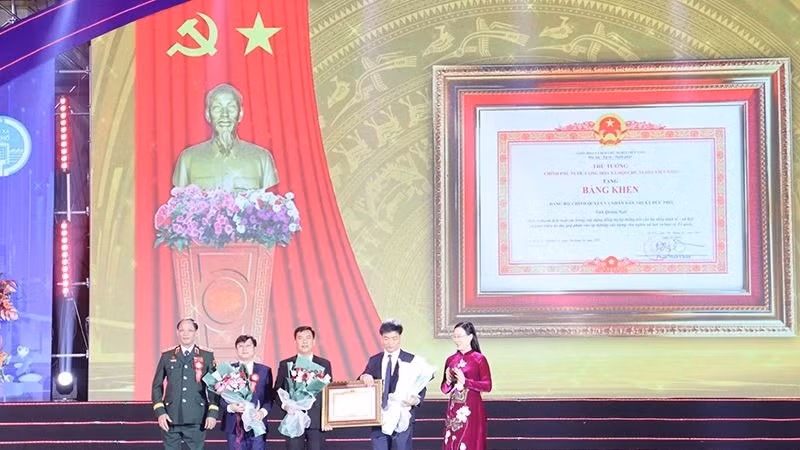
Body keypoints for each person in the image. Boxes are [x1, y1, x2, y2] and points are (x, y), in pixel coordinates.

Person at [172, 83, 278, 191]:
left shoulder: (262, 159)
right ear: (208, 115)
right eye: (217, 108)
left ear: (240, 114)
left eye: (231, 108)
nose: (224, 115)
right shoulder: (188, 159)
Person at [151, 318, 220, 449]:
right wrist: (160, 412)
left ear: (195, 333)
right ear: (177, 332)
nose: (185, 334)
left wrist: (212, 413)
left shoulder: (206, 356)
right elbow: (156, 386)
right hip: (170, 416)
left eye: (190, 330)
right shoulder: (167, 356)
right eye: (182, 330)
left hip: (197, 417)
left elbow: (214, 387)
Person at [360, 320, 425, 450]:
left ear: (400, 338)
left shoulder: (411, 360)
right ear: (381, 339)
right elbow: (363, 377)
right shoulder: (374, 360)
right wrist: (364, 377)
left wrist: (416, 400)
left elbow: (421, 385)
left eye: (394, 338)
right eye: (386, 338)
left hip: (403, 413)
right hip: (379, 417)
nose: (390, 343)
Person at [273, 326, 333, 450]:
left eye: (308, 338)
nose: (304, 341)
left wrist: (328, 418)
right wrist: (286, 406)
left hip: (317, 421)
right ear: (295, 341)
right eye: (300, 338)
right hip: (293, 417)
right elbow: (277, 390)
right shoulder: (286, 364)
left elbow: (329, 393)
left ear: (313, 341)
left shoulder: (324, 364)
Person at [441, 322, 492, 450]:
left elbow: (487, 386)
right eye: (454, 336)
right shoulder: (450, 360)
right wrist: (448, 382)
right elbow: (444, 389)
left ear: (470, 337)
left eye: (460, 336)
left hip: (471, 410)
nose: (456, 340)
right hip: (454, 409)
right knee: (453, 442)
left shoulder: (479, 359)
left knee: (470, 442)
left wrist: (466, 382)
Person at [220, 335, 274, 450]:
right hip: (234, 423)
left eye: (248, 346)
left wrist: (262, 412)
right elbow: (220, 396)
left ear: (254, 348)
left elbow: (269, 397)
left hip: (257, 422)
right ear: (236, 349)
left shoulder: (265, 371)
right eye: (241, 346)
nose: (244, 349)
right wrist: (230, 407)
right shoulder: (227, 370)